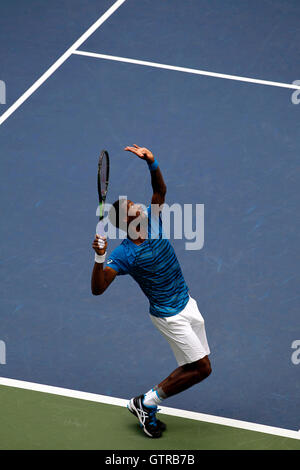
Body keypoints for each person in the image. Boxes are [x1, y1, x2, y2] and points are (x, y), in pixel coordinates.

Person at [91, 145, 211, 438]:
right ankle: (145, 403)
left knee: (191, 366)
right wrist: (98, 258)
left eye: (136, 204)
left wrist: (152, 162)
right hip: (169, 316)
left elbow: (160, 189)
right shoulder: (123, 255)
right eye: (134, 209)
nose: (140, 207)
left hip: (187, 303)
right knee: (202, 369)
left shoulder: (152, 217)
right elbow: (98, 289)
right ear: (128, 224)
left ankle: (148, 403)